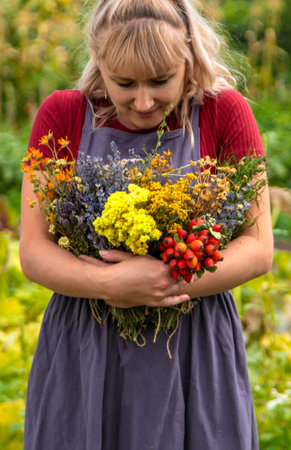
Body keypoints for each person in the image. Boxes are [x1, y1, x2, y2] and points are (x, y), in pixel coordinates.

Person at [20, 0, 273, 449]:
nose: (142, 101)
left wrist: (165, 284)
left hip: (195, 346)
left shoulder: (225, 113)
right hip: (86, 345)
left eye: (160, 81)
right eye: (123, 83)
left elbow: (257, 246)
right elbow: (35, 251)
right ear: (100, 60)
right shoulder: (61, 115)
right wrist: (109, 285)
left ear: (188, 59)